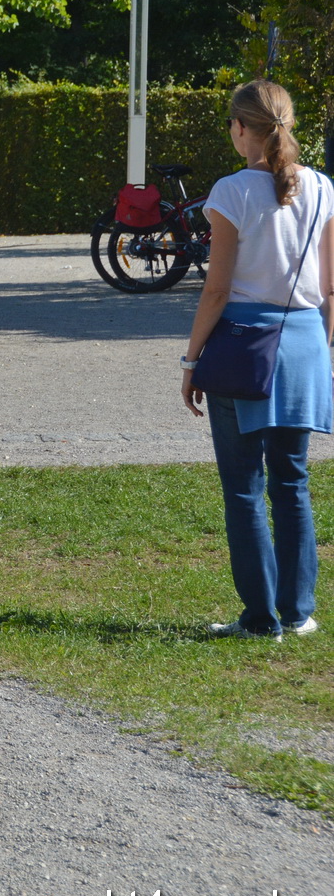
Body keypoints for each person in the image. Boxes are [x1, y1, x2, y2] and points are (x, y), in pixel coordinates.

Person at [181, 80, 330, 641]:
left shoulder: (231, 190)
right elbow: (330, 287)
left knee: (244, 484)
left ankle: (260, 618)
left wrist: (191, 360)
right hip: (306, 342)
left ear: (241, 128)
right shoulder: (322, 186)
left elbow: (217, 290)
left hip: (246, 345)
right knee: (292, 481)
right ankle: (298, 612)